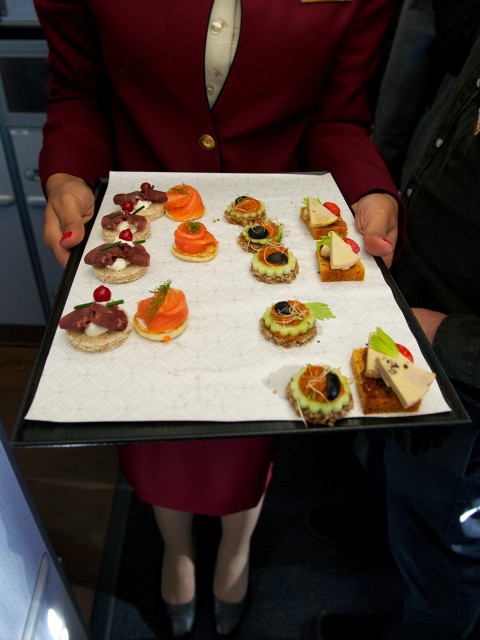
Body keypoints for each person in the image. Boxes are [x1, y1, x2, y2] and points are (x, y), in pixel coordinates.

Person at [33, 0, 402, 636]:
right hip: (146, 238)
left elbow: (338, 114)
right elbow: (80, 88)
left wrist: (369, 187)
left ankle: (236, 546)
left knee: (247, 429)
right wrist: (65, 169)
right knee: (157, 428)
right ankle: (175, 546)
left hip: (269, 238)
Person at [315, 1, 480, 638]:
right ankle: (379, 532)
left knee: (443, 540)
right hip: (412, 302)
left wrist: (446, 337)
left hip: (460, 371)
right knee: (394, 452)